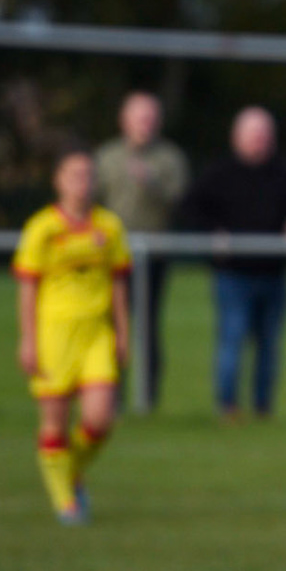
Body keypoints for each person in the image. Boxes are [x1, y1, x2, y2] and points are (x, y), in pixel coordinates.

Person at [12, 150, 131, 525]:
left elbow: (118, 284)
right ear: (58, 180)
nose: (82, 182)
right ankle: (65, 500)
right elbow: (28, 288)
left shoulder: (109, 226)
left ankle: (69, 470)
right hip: (55, 336)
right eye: (74, 175)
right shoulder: (41, 228)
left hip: (97, 334)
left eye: (88, 175)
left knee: (100, 420)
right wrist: (28, 339)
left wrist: (123, 333)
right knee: (55, 422)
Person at [179, 107, 286, 420]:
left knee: (269, 345)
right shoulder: (219, 173)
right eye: (253, 135)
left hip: (274, 274)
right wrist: (214, 234)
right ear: (236, 137)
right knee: (232, 340)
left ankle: (263, 407)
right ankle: (228, 406)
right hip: (232, 275)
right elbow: (190, 208)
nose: (259, 141)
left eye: (264, 135)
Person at [94, 92, 187, 407]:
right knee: (110, 327)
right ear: (124, 120)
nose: (145, 124)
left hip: (154, 256)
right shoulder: (106, 157)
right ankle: (111, 398)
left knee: (148, 328)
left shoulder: (170, 158)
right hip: (111, 258)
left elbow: (182, 202)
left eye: (150, 117)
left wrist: (153, 182)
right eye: (139, 117)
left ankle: (147, 401)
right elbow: (91, 203)